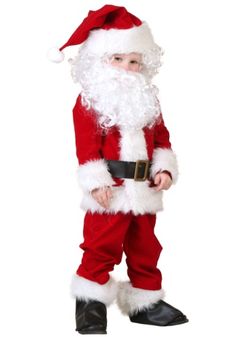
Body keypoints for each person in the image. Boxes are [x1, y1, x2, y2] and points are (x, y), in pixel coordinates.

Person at [49, 4, 188, 334]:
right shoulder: (90, 101)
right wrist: (95, 180)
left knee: (146, 247)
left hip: (145, 188)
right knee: (101, 245)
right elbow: (86, 146)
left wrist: (164, 169)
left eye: (134, 61)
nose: (127, 68)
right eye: (118, 59)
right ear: (100, 61)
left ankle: (146, 302)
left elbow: (162, 137)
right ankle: (90, 304)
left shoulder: (149, 101)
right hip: (109, 189)